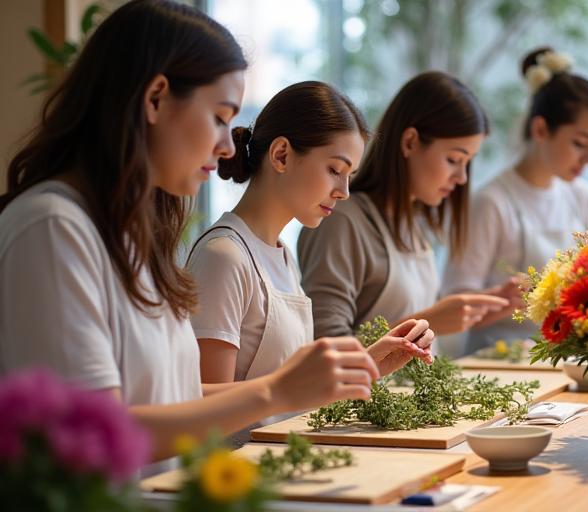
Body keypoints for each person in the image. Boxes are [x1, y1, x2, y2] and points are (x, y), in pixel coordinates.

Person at [0, 0, 380, 473]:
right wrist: (274, 391)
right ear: (155, 98)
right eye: (220, 116)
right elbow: (85, 437)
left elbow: (175, 394)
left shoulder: (134, 239)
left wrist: (309, 380)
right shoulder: (53, 226)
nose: (227, 145)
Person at [186, 81, 434, 388]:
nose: (344, 192)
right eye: (334, 170)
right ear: (281, 155)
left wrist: (371, 363)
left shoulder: (281, 256)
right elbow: (204, 407)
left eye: (349, 176)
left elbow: (292, 393)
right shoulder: (223, 256)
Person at [298, 71, 519, 341]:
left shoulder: (413, 227)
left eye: (467, 163)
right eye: (453, 159)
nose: (461, 178)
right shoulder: (342, 220)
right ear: (410, 141)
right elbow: (327, 347)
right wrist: (426, 321)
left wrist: (476, 311)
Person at [441, 47, 588, 354]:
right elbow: (452, 309)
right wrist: (505, 301)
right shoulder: (492, 203)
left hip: (567, 357)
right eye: (580, 144)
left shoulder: (581, 195)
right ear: (540, 129)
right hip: (495, 362)